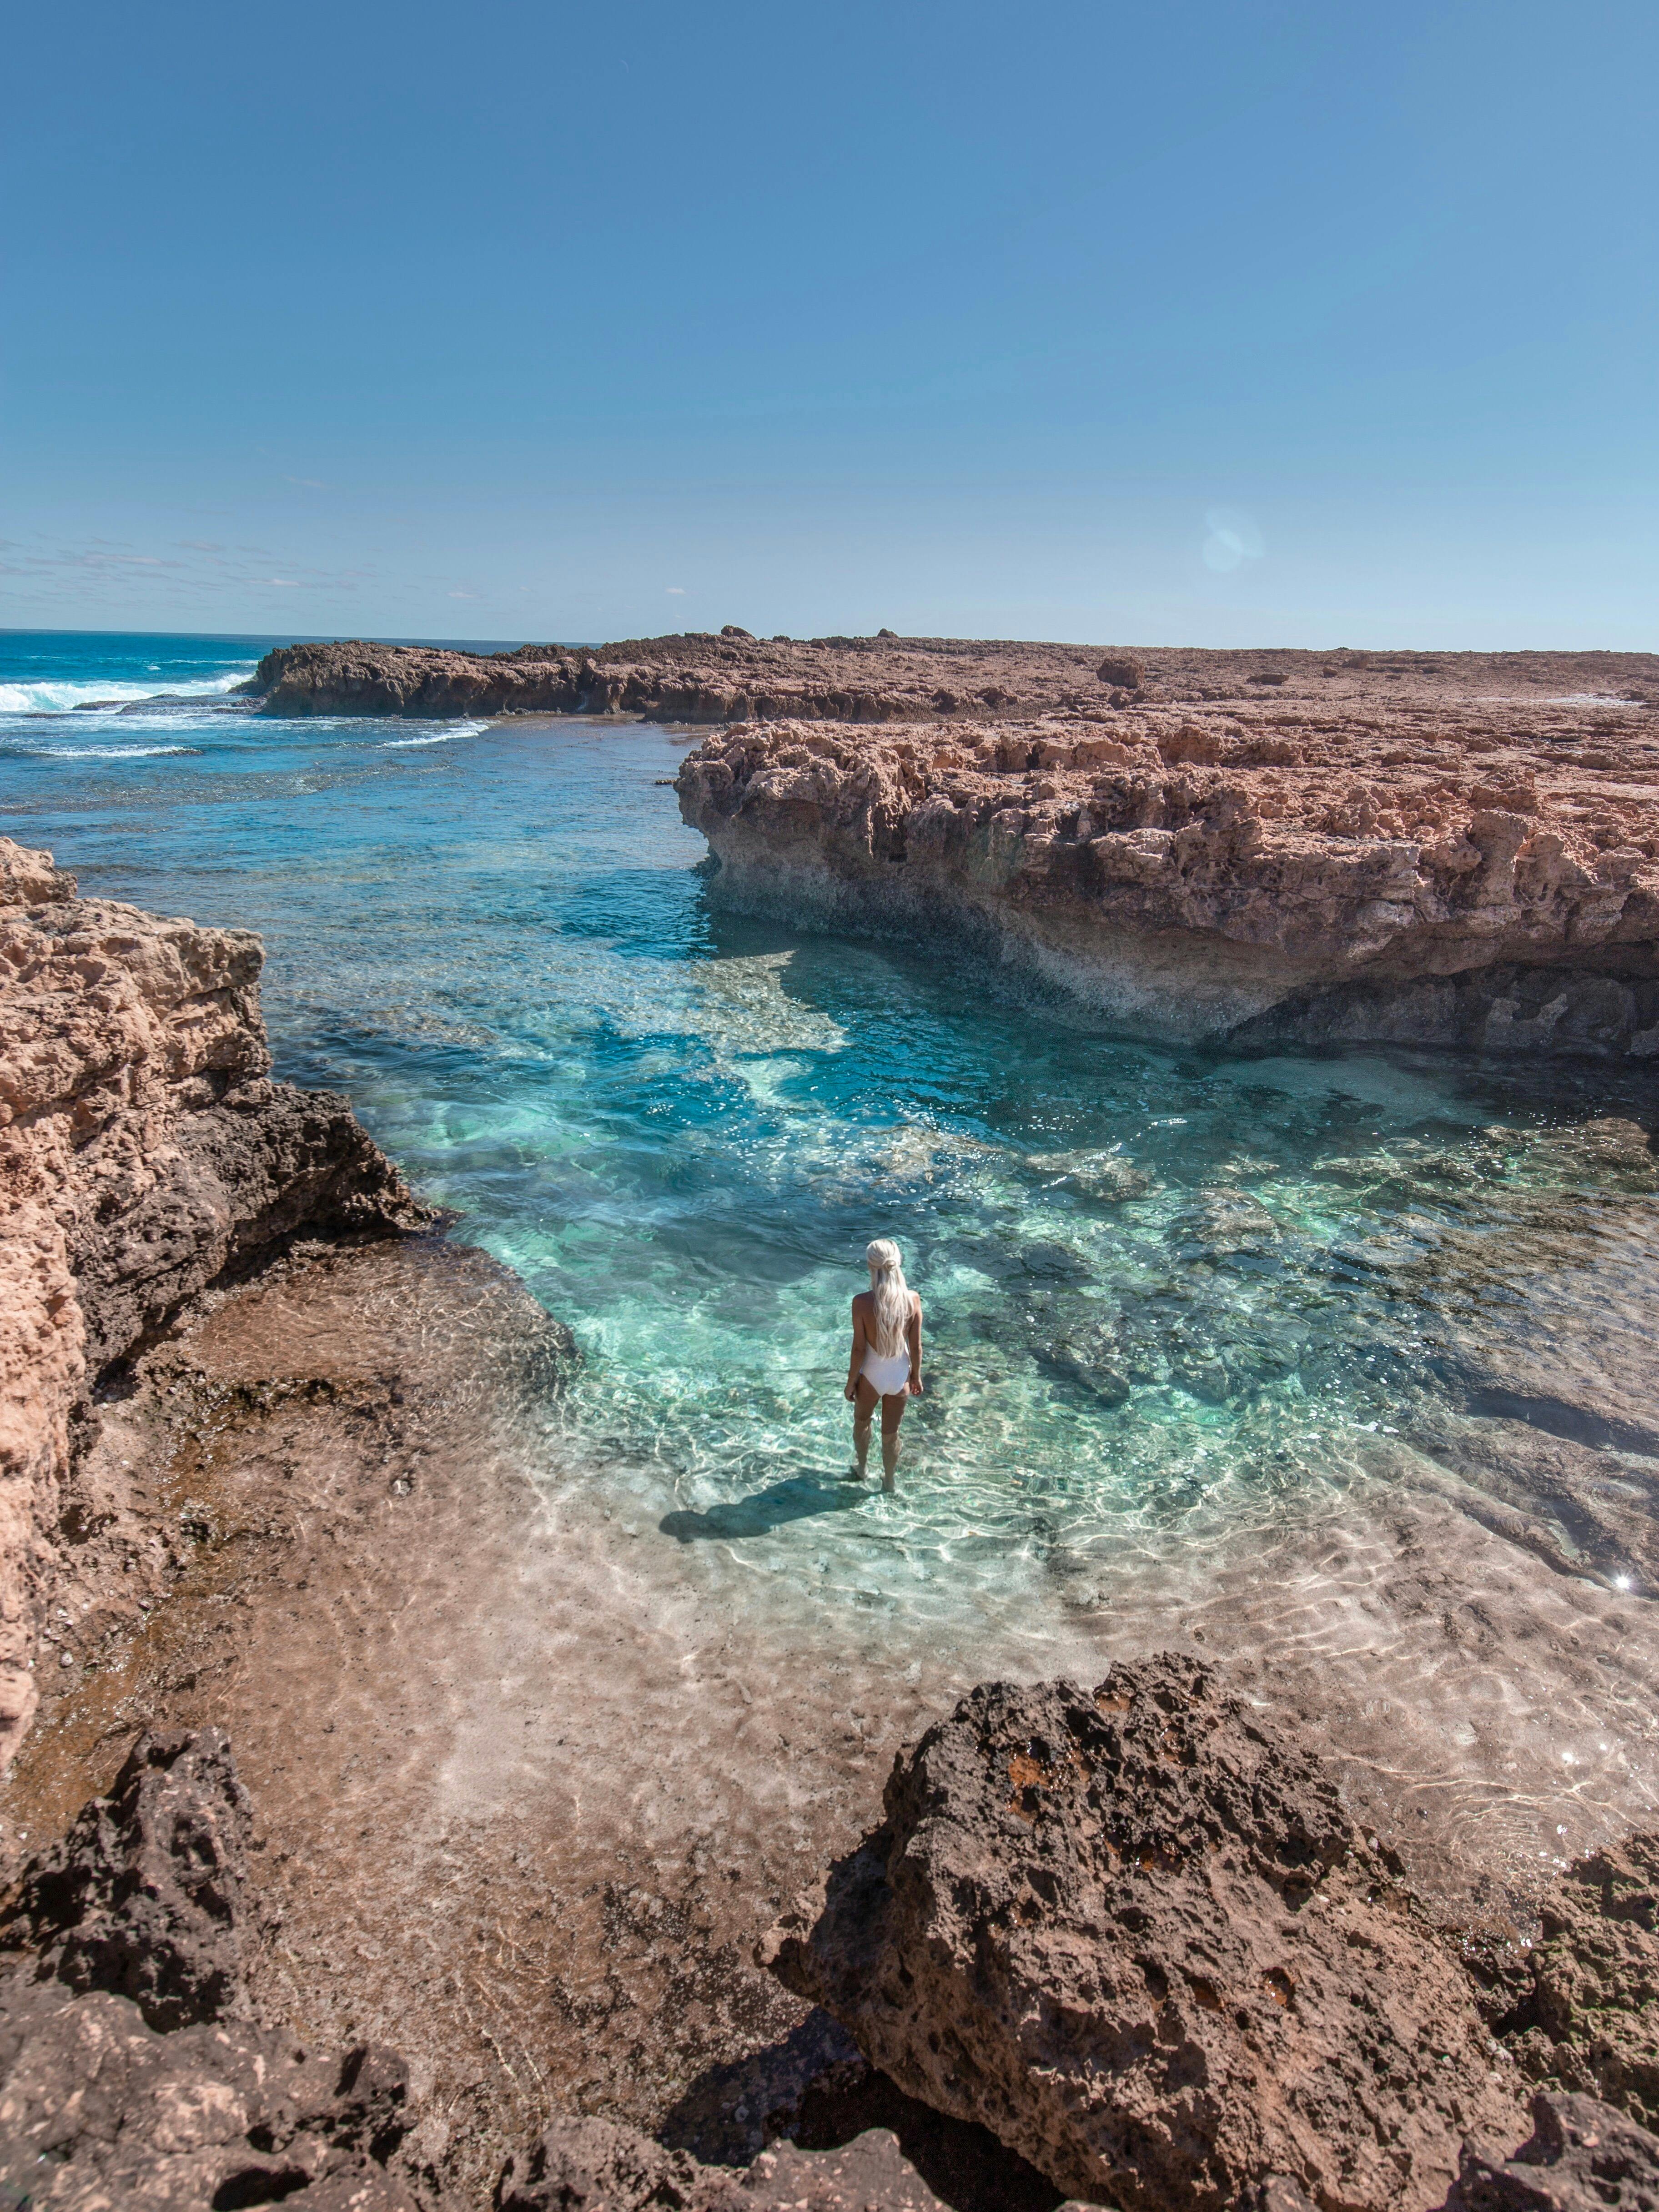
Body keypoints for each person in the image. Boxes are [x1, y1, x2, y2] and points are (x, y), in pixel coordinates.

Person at [843, 1238, 922, 1488]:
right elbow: (917, 1347)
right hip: (900, 1377)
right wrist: (916, 1377)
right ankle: (889, 1481)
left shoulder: (862, 1302)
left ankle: (862, 1468)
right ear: (897, 1263)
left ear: (870, 1265)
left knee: (862, 1423)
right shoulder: (913, 1300)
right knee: (890, 1435)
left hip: (871, 1377)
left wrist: (851, 1382)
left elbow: (858, 1349)